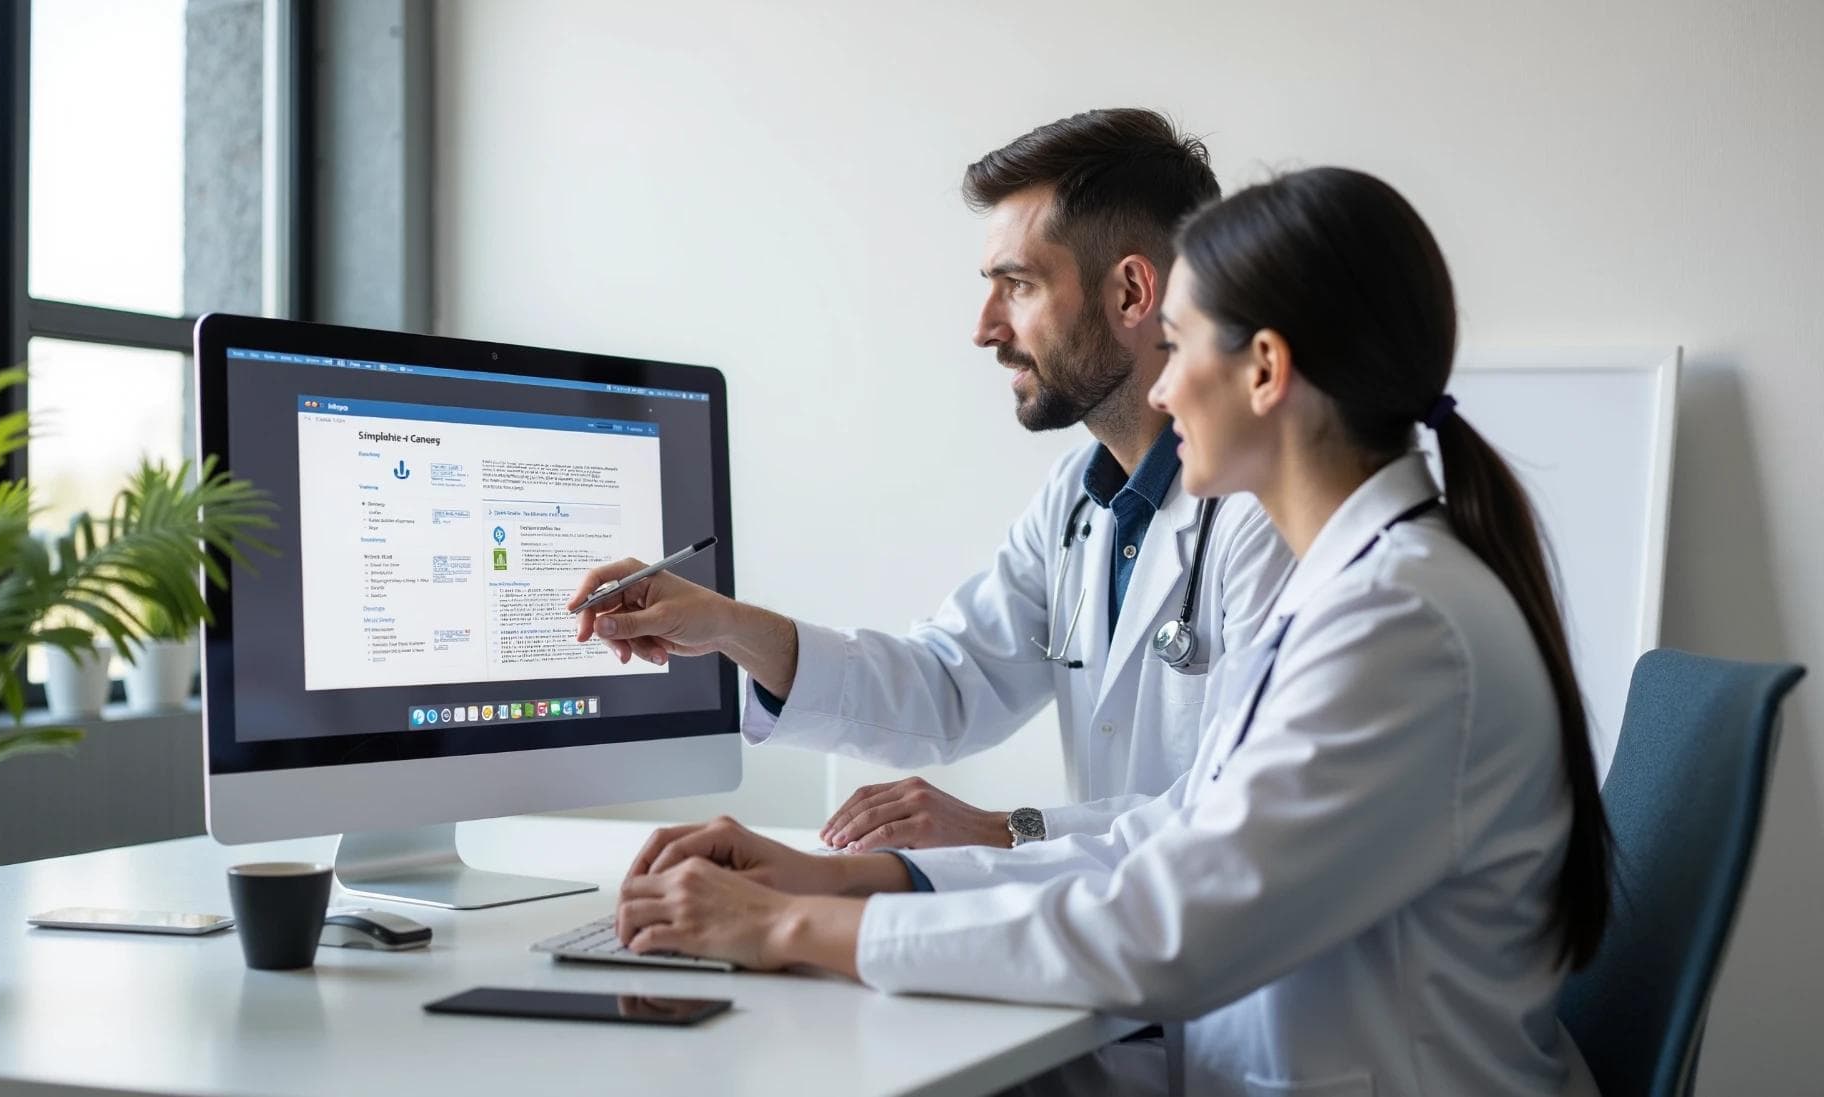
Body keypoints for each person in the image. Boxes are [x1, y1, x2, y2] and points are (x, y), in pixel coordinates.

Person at [601, 167, 1612, 1097]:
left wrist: (791, 923)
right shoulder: (1362, 590)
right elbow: (1165, 841)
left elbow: (1164, 929)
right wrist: (851, 876)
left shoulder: (1396, 622)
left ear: (1263, 370)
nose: (1165, 388)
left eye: (1182, 349)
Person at [574, 108, 1293, 852]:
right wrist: (724, 624)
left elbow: (1249, 812)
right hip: (1122, 934)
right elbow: (947, 685)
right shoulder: (1078, 502)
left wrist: (1001, 831)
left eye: (1016, 286)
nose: (983, 327)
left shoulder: (1271, 511)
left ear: (1132, 295)